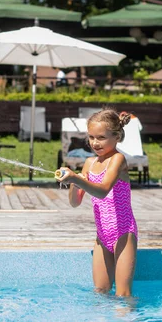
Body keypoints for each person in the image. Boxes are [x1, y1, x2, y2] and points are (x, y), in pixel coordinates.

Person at [56, 109, 138, 297]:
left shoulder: (118, 160)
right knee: (100, 293)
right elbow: (75, 202)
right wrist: (72, 181)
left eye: (101, 137)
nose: (95, 143)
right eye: (91, 137)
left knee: (123, 295)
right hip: (102, 236)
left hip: (123, 233)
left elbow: (102, 190)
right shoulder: (89, 163)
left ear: (116, 136)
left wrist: (77, 179)